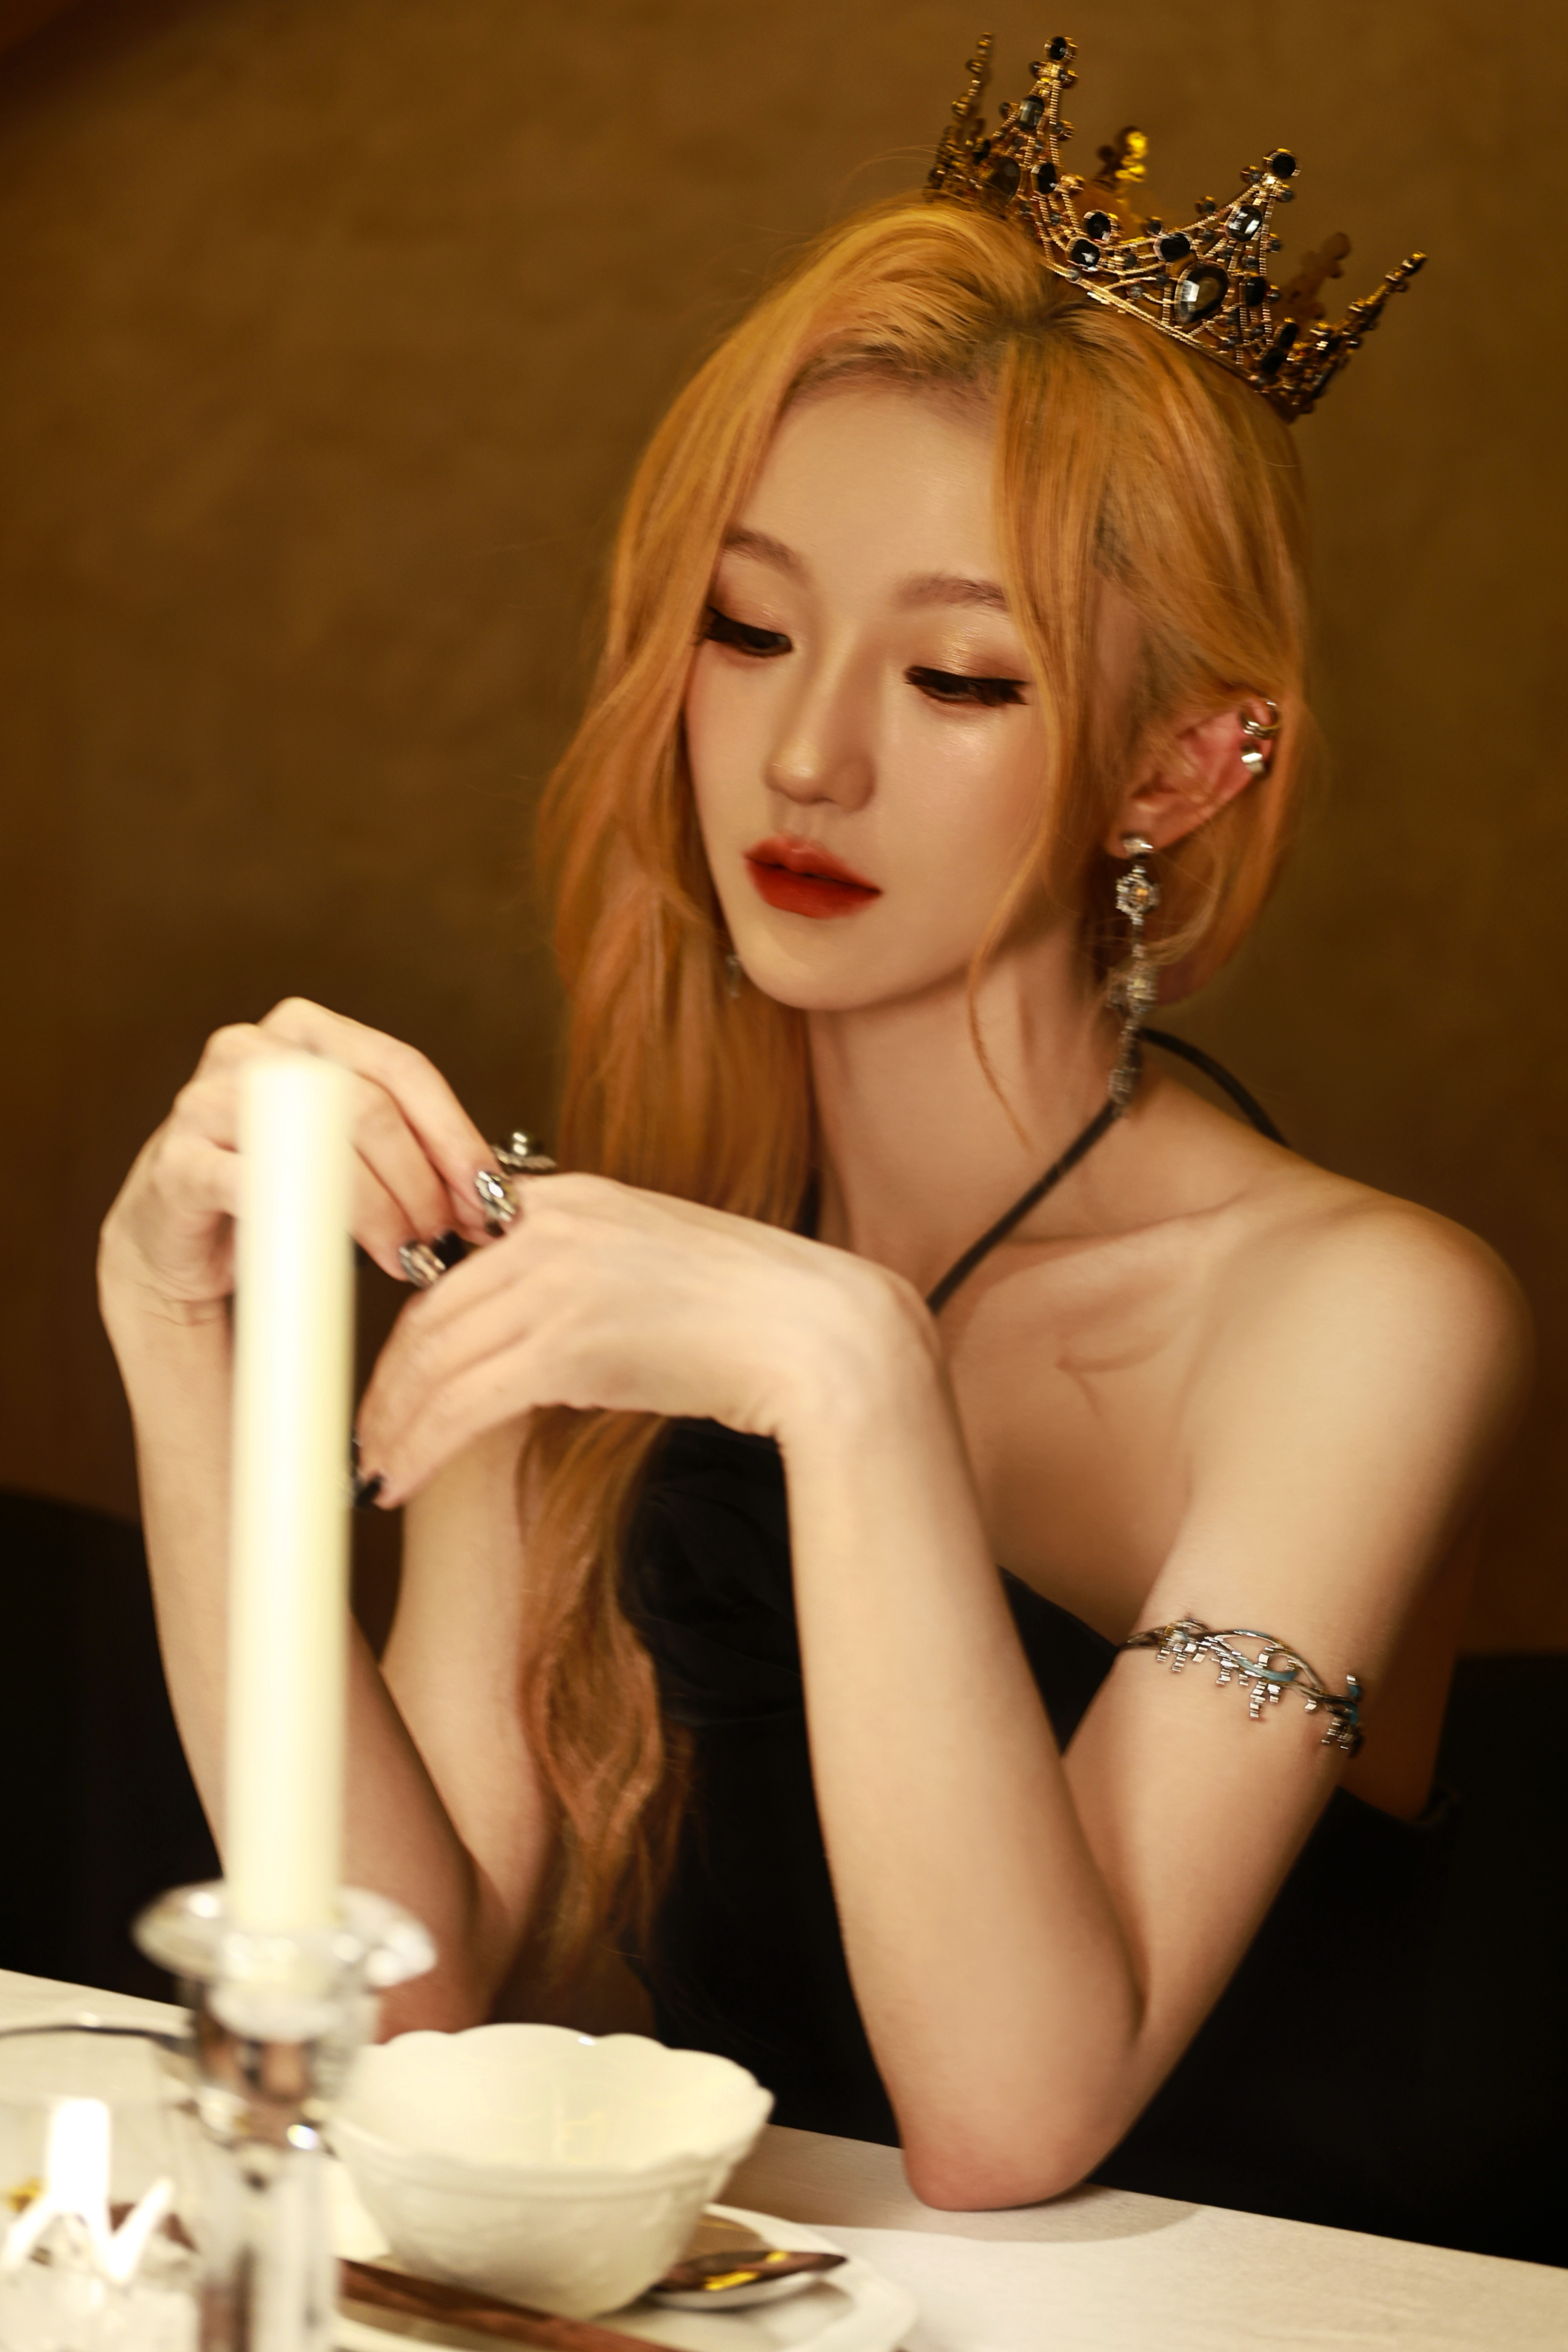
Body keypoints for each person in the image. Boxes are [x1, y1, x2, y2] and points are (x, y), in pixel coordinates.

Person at [101, 42, 1527, 2244]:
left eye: (957, 680)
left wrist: (849, 1374)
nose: (805, 758)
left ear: (1172, 769)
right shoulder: (606, 1262)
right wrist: (183, 1340)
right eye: (748, 629)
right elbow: (390, 2007)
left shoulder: (1364, 1318)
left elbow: (1010, 2122)